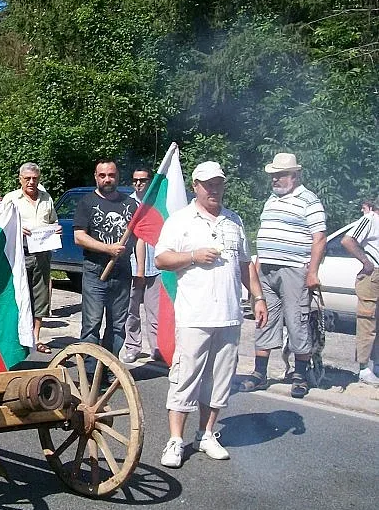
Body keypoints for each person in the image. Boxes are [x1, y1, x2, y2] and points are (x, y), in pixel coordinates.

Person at [155, 161, 266, 468]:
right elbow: (161, 259)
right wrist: (193, 256)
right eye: (207, 184)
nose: (214, 188)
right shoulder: (180, 221)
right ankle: (175, 440)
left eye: (218, 183)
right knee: (185, 377)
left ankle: (206, 434)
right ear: (196, 187)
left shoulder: (234, 221)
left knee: (220, 379)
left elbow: (245, 265)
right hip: (194, 315)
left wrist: (258, 297)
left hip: (230, 315)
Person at [240, 153, 326, 399]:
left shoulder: (309, 200)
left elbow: (319, 238)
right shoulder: (271, 200)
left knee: (297, 321)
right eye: (273, 175)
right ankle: (259, 373)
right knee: (264, 318)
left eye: (280, 175)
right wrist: (256, 269)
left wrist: (312, 272)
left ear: (295, 176)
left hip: (294, 270)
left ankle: (300, 376)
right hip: (267, 269)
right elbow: (265, 236)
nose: (275, 179)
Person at [73, 159, 137, 374]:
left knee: (118, 326)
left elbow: (139, 238)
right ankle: (90, 375)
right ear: (96, 177)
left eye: (111, 175)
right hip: (95, 270)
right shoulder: (86, 203)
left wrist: (139, 268)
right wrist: (107, 249)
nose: (107, 179)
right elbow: (79, 237)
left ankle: (109, 371)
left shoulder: (131, 205)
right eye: (103, 175)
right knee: (92, 324)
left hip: (122, 272)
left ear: (118, 176)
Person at [1, 163, 60, 353]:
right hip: (19, 254)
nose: (31, 182)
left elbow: (53, 221)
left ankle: (35, 339)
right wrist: (17, 230)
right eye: (27, 178)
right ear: (20, 179)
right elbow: (0, 227)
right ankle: (17, 337)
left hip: (42, 254)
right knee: (18, 295)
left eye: (35, 178)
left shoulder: (46, 198)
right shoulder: (11, 199)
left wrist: (56, 229)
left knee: (40, 296)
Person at [124, 166, 162, 363]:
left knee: (155, 311)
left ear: (150, 182)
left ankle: (157, 348)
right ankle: (133, 346)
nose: (138, 184)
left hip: (156, 266)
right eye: (135, 180)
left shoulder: (158, 204)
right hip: (131, 265)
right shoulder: (127, 204)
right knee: (131, 310)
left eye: (143, 180)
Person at [340, 202, 379, 386]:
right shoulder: (370, 219)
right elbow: (348, 240)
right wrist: (366, 261)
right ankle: (364, 368)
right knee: (367, 321)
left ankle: (376, 365)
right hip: (373, 275)